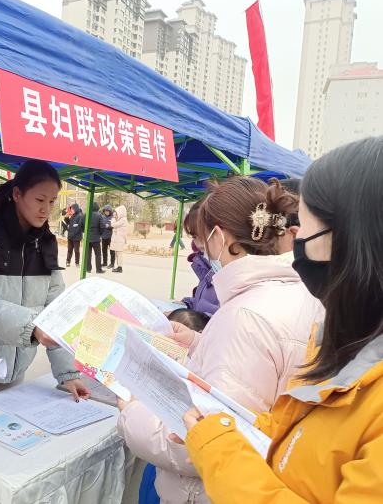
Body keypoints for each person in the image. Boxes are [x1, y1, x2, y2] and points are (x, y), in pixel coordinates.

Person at [179, 137, 383, 503]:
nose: (295, 242)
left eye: (305, 229)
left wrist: (219, 448)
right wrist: (225, 428)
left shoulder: (247, 315)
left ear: (358, 240)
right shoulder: (348, 341)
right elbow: (299, 432)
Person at [117, 176, 322, 504]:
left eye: (201, 239)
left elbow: (206, 444)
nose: (201, 249)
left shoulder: (245, 315)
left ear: (219, 236)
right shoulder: (301, 293)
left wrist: (131, 411)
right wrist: (198, 343)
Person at [0, 159, 89, 407]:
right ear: (17, 194)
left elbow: (56, 312)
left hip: (16, 364)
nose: (46, 209)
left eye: (52, 202)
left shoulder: (45, 243)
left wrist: (68, 374)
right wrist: (32, 327)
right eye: (40, 199)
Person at [181, 197, 220, 317]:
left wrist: (192, 322)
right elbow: (203, 303)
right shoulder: (207, 267)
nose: (199, 244)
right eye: (194, 236)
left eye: (203, 235)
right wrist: (187, 306)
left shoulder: (232, 278)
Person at [85, 202, 105, 274]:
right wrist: (100, 233)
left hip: (88, 238)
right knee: (98, 254)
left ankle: (88, 269)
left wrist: (85, 232)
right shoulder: (99, 215)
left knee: (88, 254)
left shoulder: (87, 214)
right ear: (97, 208)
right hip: (96, 238)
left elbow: (82, 224)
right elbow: (102, 226)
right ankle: (98, 269)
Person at [110, 205, 128, 273]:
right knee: (117, 253)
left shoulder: (123, 220)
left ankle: (120, 268)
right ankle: (119, 267)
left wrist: (113, 218)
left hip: (120, 240)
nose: (116, 214)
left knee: (119, 254)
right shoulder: (121, 219)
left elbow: (113, 225)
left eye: (117, 213)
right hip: (119, 240)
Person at [66, 203, 84, 267]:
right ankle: (68, 261)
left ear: (76, 209)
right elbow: (68, 223)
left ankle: (77, 263)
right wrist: (66, 217)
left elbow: (79, 227)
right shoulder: (72, 216)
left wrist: (73, 234)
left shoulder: (80, 216)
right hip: (70, 237)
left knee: (76, 251)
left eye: (72, 209)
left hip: (76, 237)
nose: (71, 210)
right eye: (71, 209)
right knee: (69, 250)